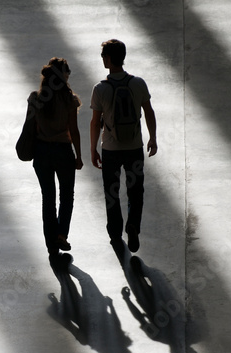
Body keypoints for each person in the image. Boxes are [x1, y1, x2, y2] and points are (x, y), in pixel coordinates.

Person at [90, 39, 157, 253]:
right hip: (134, 147)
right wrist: (153, 138)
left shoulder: (100, 88)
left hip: (110, 149)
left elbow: (94, 122)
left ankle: (115, 231)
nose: (102, 59)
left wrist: (93, 148)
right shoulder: (138, 83)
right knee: (135, 190)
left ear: (109, 59)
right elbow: (148, 111)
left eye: (103, 56)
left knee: (112, 191)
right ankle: (133, 226)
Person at [27, 57, 83, 257]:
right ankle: (61, 234)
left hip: (42, 152)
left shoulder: (36, 98)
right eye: (68, 72)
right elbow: (74, 131)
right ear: (64, 75)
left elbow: (31, 128)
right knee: (66, 196)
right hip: (63, 151)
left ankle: (50, 243)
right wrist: (79, 156)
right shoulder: (69, 100)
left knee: (48, 198)